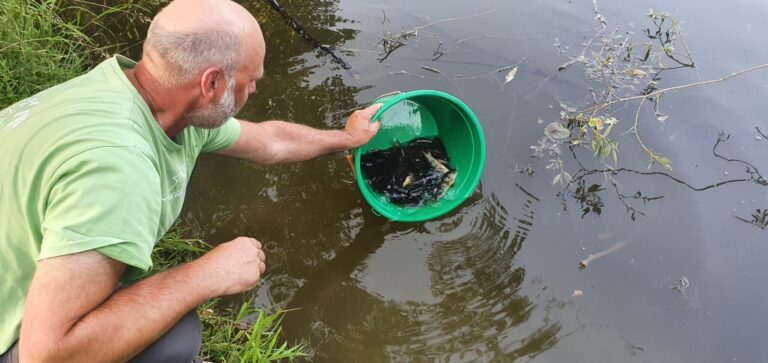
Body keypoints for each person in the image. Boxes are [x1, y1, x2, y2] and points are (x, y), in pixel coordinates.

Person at [0, 0, 381, 361]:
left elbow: (270, 140)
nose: (253, 90)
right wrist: (203, 275)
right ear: (212, 84)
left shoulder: (139, 95)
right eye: (250, 80)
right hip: (25, 340)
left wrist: (344, 139)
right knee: (175, 339)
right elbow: (46, 356)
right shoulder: (120, 171)